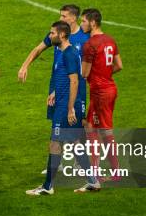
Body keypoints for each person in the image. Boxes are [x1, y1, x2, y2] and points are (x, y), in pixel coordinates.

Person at [26, 22, 100, 195]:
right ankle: (93, 181)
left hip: (66, 106)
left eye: (52, 33)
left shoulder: (69, 54)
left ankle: (47, 186)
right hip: (62, 101)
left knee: (55, 142)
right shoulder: (63, 52)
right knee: (74, 144)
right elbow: (64, 78)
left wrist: (70, 109)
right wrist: (55, 92)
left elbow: (75, 81)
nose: (49, 35)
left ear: (62, 35)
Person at [17, 5, 89, 174]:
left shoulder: (84, 39)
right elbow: (38, 49)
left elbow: (84, 70)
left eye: (64, 16)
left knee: (78, 124)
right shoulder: (56, 34)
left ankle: (81, 164)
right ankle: (61, 162)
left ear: (73, 18)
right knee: (58, 124)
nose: (61, 18)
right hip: (56, 85)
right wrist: (24, 66)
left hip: (75, 87)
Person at [81, 8, 123, 182]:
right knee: (91, 126)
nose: (82, 24)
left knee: (103, 131)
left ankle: (110, 172)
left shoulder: (90, 44)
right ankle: (101, 171)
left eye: (83, 21)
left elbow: (84, 73)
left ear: (92, 23)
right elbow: (119, 65)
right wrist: (104, 75)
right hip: (110, 89)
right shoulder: (110, 40)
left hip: (100, 93)